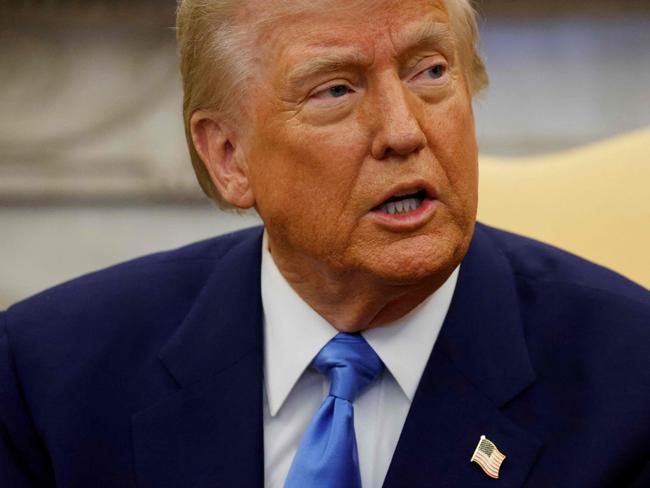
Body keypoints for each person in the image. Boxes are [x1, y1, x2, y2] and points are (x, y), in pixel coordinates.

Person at [1, 0, 649, 486]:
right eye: (336, 89)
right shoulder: (49, 379)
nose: (403, 131)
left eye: (429, 71)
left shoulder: (630, 382)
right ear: (229, 156)